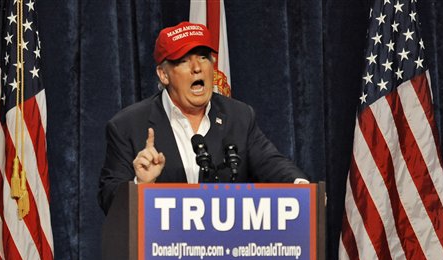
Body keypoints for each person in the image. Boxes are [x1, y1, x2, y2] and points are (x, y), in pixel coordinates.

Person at [98, 22, 308, 214]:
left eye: (203, 57)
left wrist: (301, 187)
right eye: (184, 60)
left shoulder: (239, 116)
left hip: (226, 248)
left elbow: (271, 162)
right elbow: (108, 198)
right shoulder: (128, 125)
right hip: (163, 250)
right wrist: (141, 186)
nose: (197, 67)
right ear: (163, 75)